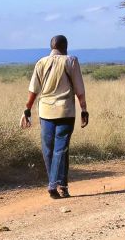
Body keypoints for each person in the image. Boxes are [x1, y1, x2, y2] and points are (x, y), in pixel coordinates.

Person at [21, 34, 88, 198]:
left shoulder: (41, 62)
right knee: (61, 148)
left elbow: (33, 91)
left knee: (49, 149)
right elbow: (79, 89)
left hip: (45, 112)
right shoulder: (71, 61)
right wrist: (84, 109)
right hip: (66, 111)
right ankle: (55, 184)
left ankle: (61, 185)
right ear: (65, 47)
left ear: (51, 47)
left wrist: (27, 110)